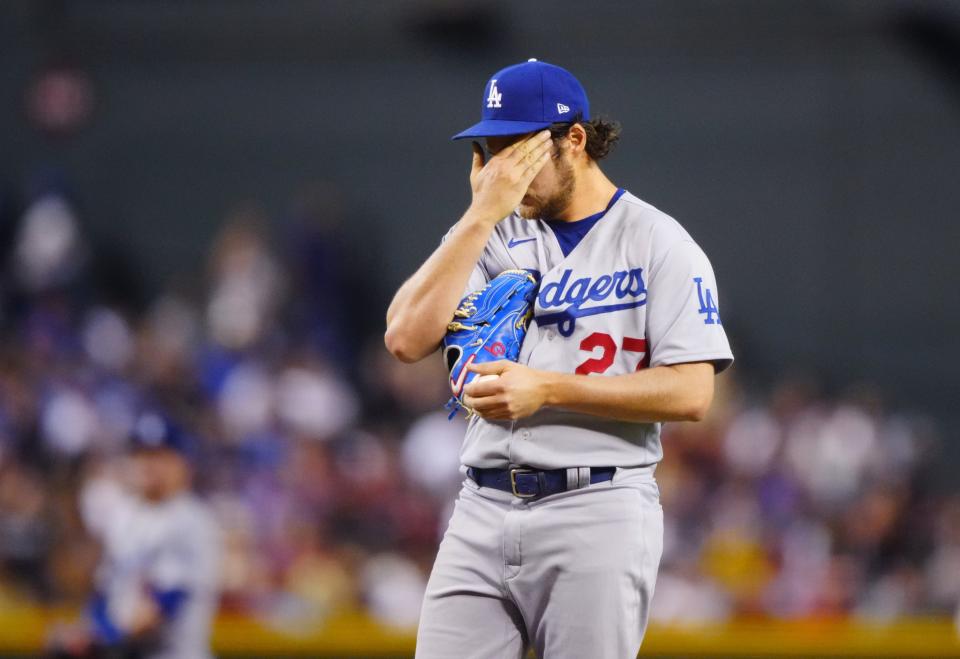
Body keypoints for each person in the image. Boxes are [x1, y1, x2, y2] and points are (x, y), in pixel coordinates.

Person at [385, 58, 733, 658]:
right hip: (482, 504)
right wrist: (477, 216)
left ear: (574, 140)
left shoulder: (657, 242)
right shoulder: (491, 230)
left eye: (516, 151)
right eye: (490, 151)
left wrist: (549, 388)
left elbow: (692, 393)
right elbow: (404, 339)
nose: (501, 172)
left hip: (597, 507)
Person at [53, 412, 221, 659]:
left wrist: (98, 637)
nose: (148, 464)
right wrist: (83, 631)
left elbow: (164, 603)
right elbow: (105, 593)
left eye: (159, 455)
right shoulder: (124, 516)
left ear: (182, 462)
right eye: (141, 454)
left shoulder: (192, 520)